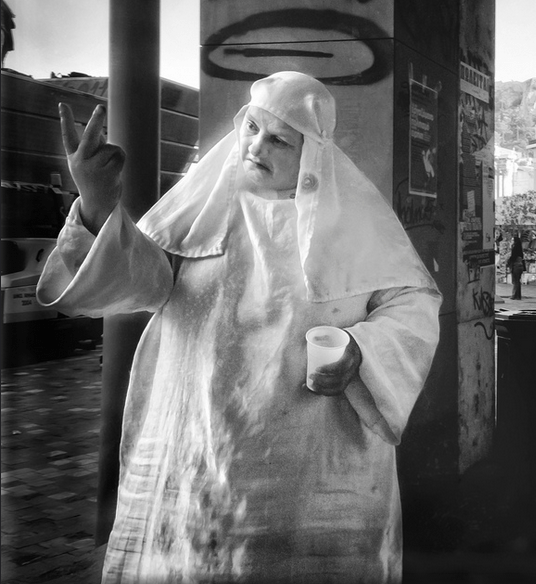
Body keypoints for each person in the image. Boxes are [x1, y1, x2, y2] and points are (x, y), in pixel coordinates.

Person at [37, 71, 442, 583]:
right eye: (251, 127)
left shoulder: (356, 219)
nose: (256, 146)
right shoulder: (202, 206)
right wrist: (97, 203)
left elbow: (412, 306)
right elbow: (135, 281)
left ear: (312, 155)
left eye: (279, 140)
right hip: (198, 445)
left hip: (309, 464)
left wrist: (359, 351)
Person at [507, 233, 525, 300]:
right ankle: (517, 295)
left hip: (516, 266)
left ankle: (514, 295)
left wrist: (508, 261)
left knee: (515, 281)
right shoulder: (520, 250)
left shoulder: (515, 249)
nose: (511, 242)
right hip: (520, 266)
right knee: (517, 281)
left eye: (512, 240)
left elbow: (512, 258)